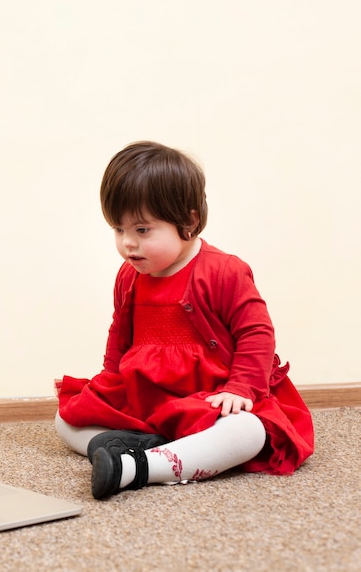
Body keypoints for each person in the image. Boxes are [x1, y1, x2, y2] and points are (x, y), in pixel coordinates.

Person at [55, 140, 314, 499]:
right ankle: (156, 447)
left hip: (208, 399)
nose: (128, 243)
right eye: (118, 229)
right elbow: (120, 332)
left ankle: (138, 467)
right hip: (146, 397)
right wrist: (109, 378)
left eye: (142, 230)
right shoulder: (129, 276)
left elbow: (257, 332)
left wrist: (241, 388)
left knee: (249, 432)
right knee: (66, 417)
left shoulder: (224, 271)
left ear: (188, 222)